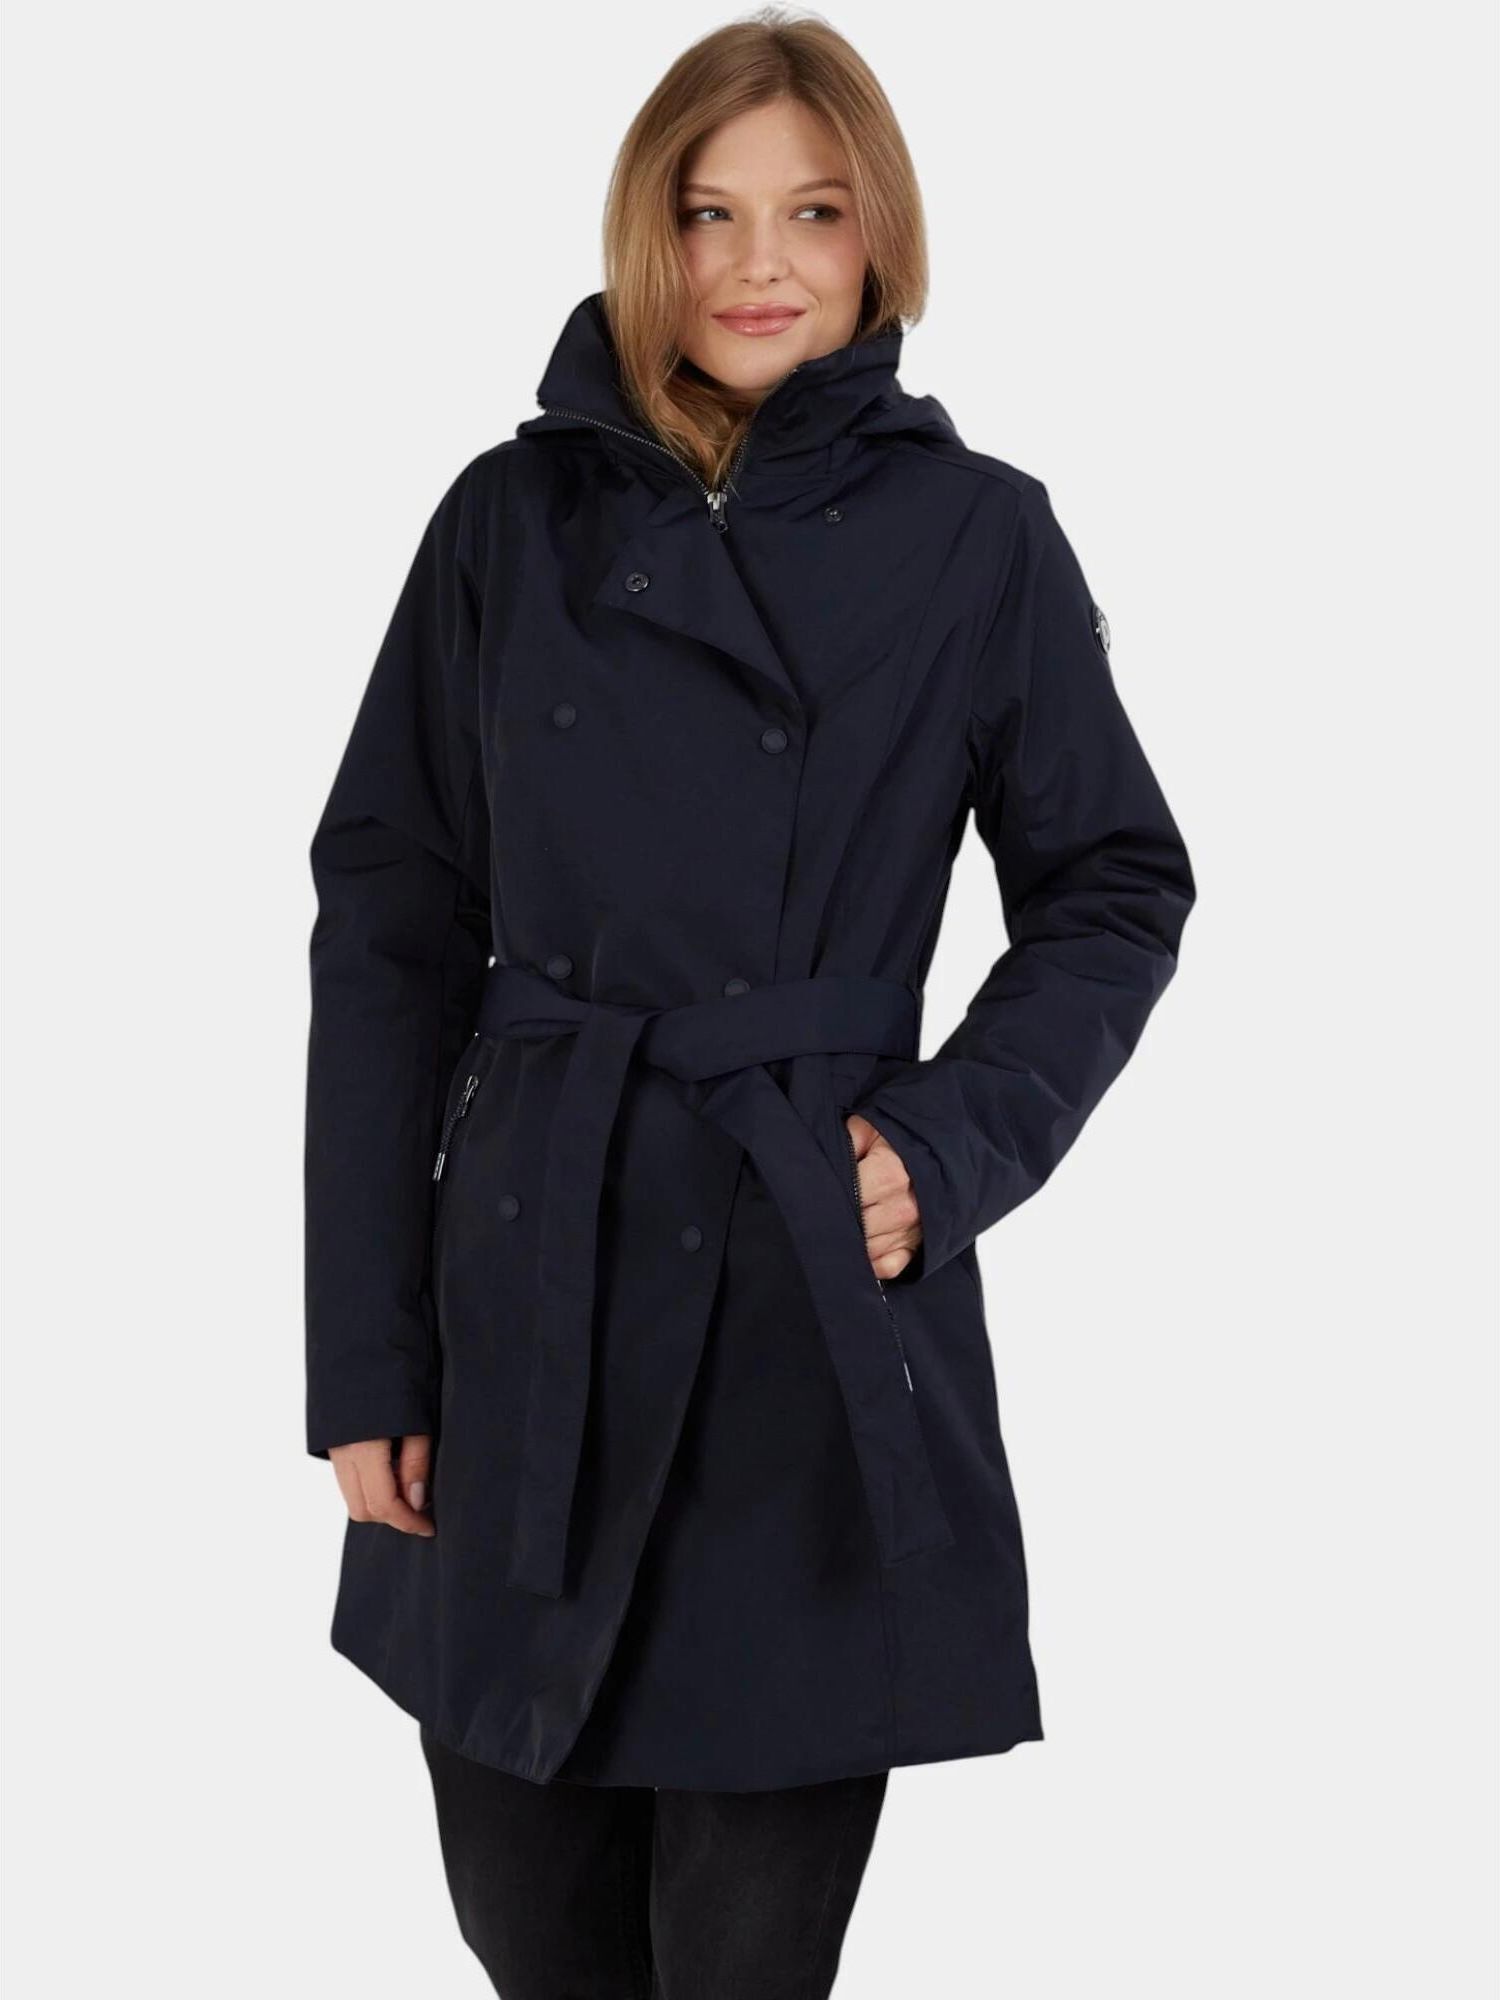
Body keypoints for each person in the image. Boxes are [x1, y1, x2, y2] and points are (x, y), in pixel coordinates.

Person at [303, 12, 1197, 1996]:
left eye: (814, 211)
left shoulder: (981, 536)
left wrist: (942, 1152)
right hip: (525, 1299)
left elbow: (1113, 886)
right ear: (649, 232)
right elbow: (388, 929)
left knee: (742, 1958)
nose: (759, 264)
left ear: (883, 239)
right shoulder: (506, 522)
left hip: (801, 1294)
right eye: (708, 214)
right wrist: (367, 1360)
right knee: (526, 1928)